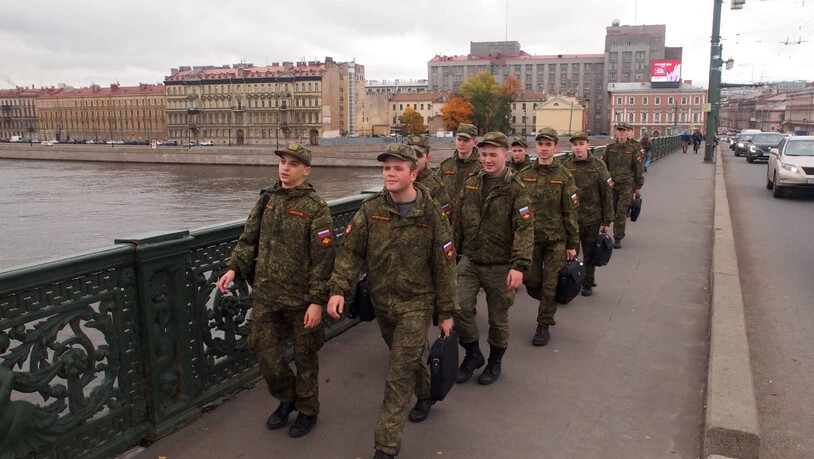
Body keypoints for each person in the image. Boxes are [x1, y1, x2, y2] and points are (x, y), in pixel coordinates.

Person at [326, 143, 457, 459]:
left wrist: (446, 311)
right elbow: (351, 253)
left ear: (414, 174)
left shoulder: (432, 214)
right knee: (407, 358)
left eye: (398, 168)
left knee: (398, 373)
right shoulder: (370, 210)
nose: (390, 173)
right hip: (382, 302)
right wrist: (338, 289)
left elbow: (445, 265)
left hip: (417, 304)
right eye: (386, 168)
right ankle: (426, 393)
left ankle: (385, 446)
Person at [217, 142, 335, 438]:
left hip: (300, 299)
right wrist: (233, 267)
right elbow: (249, 238)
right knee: (263, 350)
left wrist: (317, 301)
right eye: (283, 162)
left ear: (306, 171)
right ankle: (288, 397)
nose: (285, 168)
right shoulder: (267, 198)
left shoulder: (316, 208)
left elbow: (324, 260)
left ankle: (308, 409)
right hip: (267, 294)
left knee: (305, 356)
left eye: (293, 164)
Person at [452, 131, 534, 385]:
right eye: (484, 154)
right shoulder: (471, 182)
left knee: (498, 319)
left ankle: (495, 361)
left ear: (505, 155)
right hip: (470, 259)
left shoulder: (516, 188)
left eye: (493, 155)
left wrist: (519, 266)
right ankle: (473, 353)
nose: (487, 160)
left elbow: (524, 229)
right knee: (457, 307)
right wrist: (451, 256)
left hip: (501, 265)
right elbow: (457, 221)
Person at [518, 128, 579, 346]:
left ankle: (543, 324)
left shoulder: (564, 176)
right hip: (531, 239)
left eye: (548, 145)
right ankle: (547, 298)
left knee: (550, 283)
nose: (544, 149)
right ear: (536, 147)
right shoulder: (524, 175)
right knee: (532, 280)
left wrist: (572, 243)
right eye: (540, 144)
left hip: (556, 240)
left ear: (556, 147)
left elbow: (570, 212)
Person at [561, 132, 614, 297]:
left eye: (581, 144)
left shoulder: (598, 165)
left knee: (590, 252)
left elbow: (607, 193)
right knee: (570, 252)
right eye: (575, 144)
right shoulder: (566, 165)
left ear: (588, 145)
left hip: (592, 217)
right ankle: (571, 281)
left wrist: (607, 220)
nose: (578, 148)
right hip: (572, 219)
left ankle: (588, 282)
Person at [601, 123, 644, 249]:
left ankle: (618, 237)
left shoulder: (632, 149)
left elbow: (638, 169)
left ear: (627, 132)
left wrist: (638, 187)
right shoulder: (610, 148)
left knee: (621, 211)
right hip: (612, 184)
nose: (621, 133)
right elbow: (602, 166)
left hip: (626, 184)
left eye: (623, 130)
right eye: (619, 130)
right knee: (611, 210)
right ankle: (606, 231)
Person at [407, 134, 452, 217]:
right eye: (411, 155)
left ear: (428, 157)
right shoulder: (398, 179)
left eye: (419, 156)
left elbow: (445, 217)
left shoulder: (435, 185)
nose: (415, 159)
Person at [437, 123, 482, 204]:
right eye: (459, 139)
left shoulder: (481, 167)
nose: (461, 143)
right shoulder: (445, 165)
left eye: (466, 140)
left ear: (475, 143)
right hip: (447, 211)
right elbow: (436, 190)